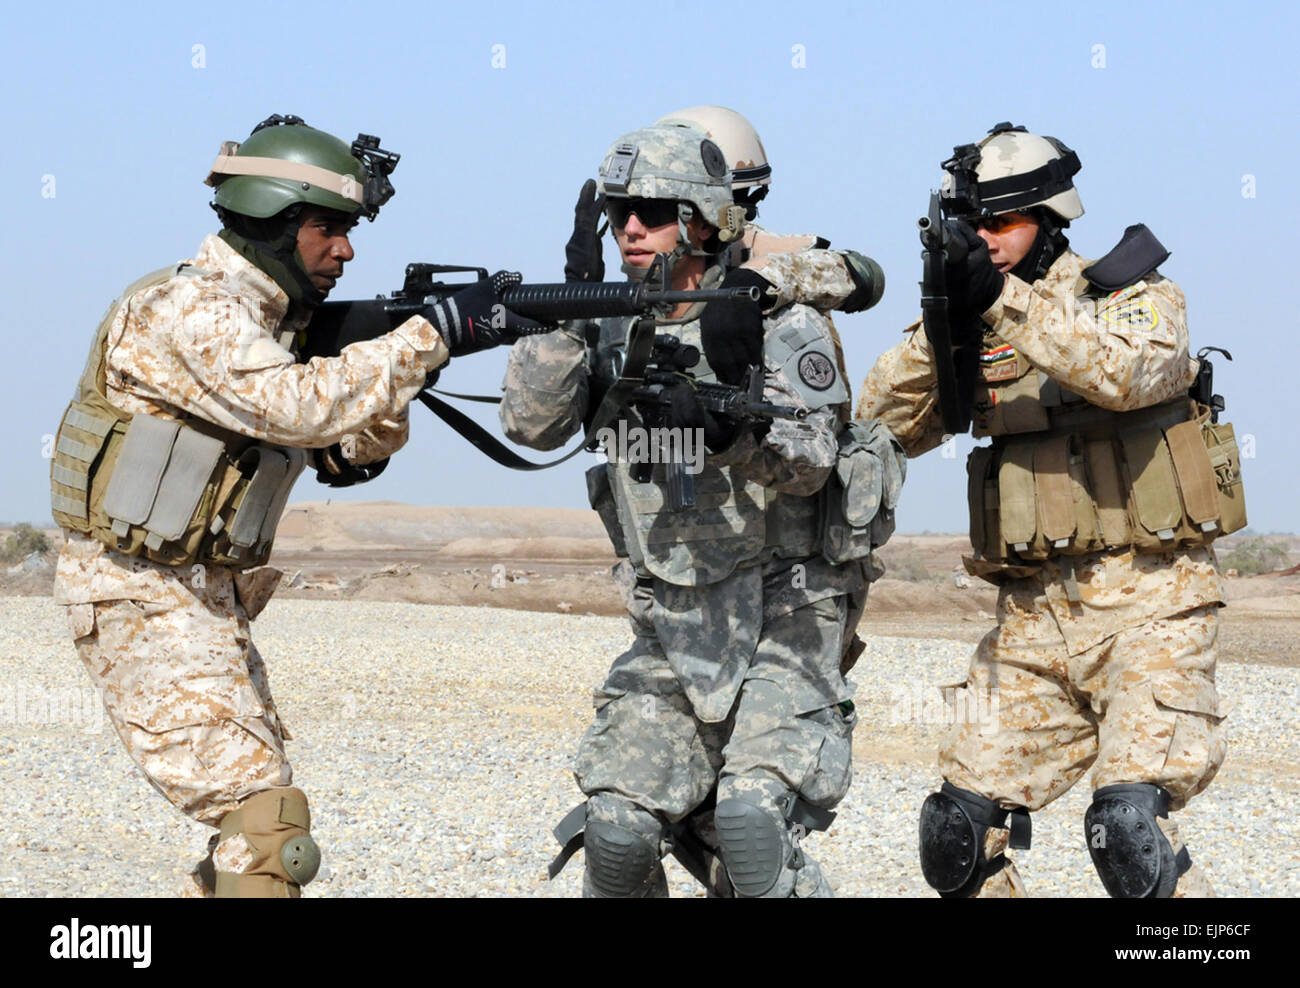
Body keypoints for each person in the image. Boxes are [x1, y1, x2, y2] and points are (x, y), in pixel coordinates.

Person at [49, 113, 540, 897]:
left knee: (256, 821)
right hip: (139, 590)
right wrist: (426, 339)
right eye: (328, 229)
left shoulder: (276, 328)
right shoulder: (190, 310)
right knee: (268, 825)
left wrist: (399, 375)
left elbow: (346, 454)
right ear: (275, 216)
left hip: (203, 595)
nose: (345, 250)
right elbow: (301, 408)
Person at [503, 124, 898, 897]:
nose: (630, 229)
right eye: (618, 213)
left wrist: (730, 433)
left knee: (750, 827)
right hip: (674, 625)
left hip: (787, 618)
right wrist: (562, 319)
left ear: (702, 217)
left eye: (651, 211)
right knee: (615, 835)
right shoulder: (608, 325)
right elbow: (531, 426)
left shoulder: (776, 320)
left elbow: (814, 462)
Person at [858, 122, 1240, 898]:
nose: (987, 241)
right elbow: (884, 427)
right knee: (956, 836)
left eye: (1002, 223)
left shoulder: (1132, 294)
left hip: (1151, 605)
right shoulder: (973, 321)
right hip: (1032, 621)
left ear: (1051, 218)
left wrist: (1002, 300)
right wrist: (945, 321)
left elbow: (1129, 374)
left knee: (1127, 831)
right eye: (973, 227)